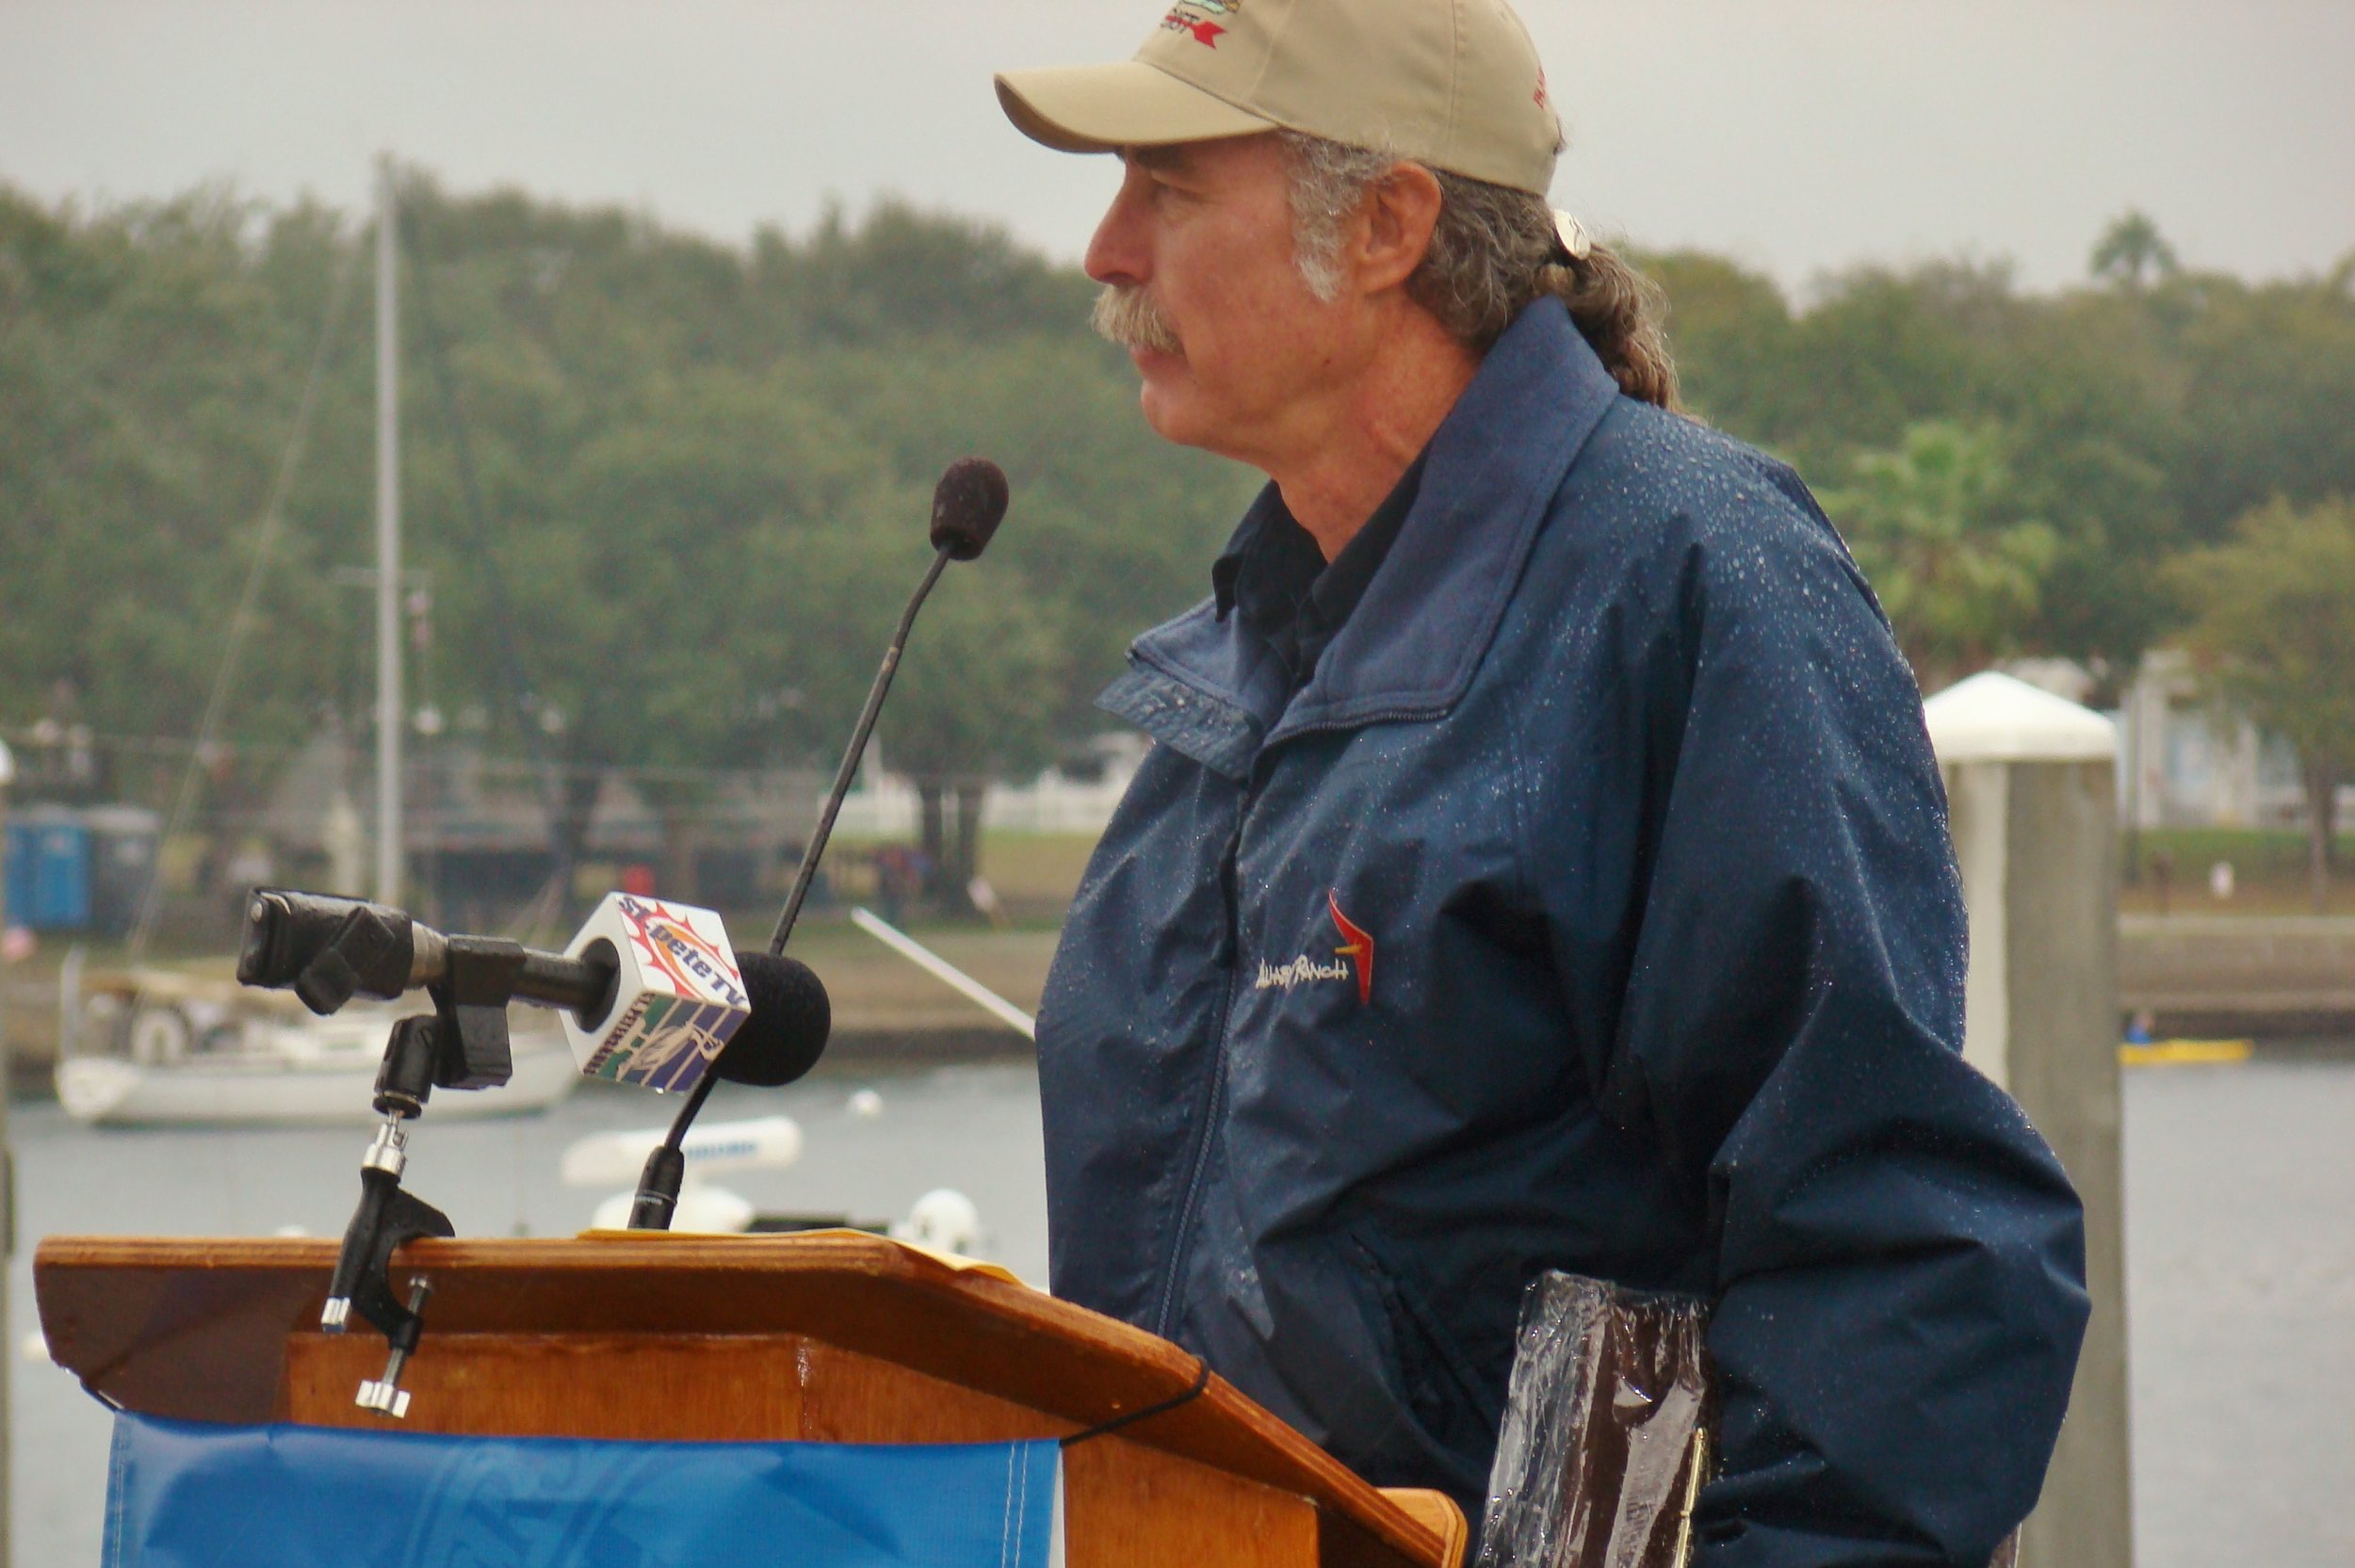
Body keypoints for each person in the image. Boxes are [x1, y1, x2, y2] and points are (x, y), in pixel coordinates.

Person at [995, 2, 2089, 1562]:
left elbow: (1918, 1258)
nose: (1106, 251)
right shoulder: (1235, 671)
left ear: (1386, 226)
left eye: (1165, 190)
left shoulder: (1694, 579)